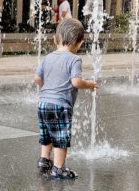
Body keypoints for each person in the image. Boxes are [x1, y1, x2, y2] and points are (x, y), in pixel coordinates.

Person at [34, 18, 98, 179]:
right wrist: (90, 84)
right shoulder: (74, 59)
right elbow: (76, 82)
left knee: (47, 133)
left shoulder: (47, 58)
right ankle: (58, 167)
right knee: (61, 137)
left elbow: (37, 79)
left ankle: (44, 160)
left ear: (55, 39)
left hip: (43, 103)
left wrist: (46, 87)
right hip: (60, 105)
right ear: (79, 43)